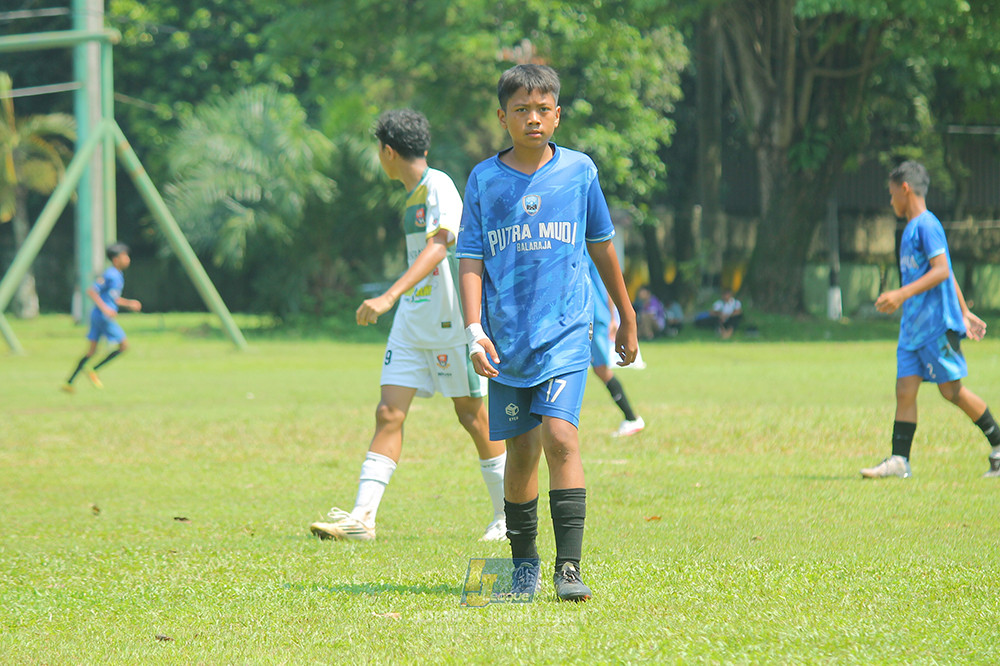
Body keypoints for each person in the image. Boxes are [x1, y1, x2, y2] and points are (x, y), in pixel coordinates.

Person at [457, 64, 638, 602]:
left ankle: (568, 569)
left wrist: (626, 315)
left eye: (542, 109)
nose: (532, 119)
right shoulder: (484, 180)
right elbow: (469, 258)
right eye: (521, 110)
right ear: (502, 117)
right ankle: (524, 566)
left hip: (565, 332)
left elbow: (602, 244)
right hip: (505, 340)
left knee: (560, 437)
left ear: (557, 116)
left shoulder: (580, 172)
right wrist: (473, 331)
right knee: (520, 453)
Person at [309, 109, 508, 542]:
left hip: (451, 322)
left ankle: (507, 515)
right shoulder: (413, 192)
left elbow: (441, 245)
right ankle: (362, 519)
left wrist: (387, 295)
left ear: (387, 151)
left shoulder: (439, 185)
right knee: (388, 412)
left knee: (473, 417)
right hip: (412, 324)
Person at [861, 160, 1000, 479]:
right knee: (904, 390)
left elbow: (941, 270)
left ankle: (998, 445)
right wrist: (965, 310)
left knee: (952, 392)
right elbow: (945, 272)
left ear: (904, 188)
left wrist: (900, 294)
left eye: (892, 193)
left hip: (935, 327)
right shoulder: (911, 228)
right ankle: (899, 460)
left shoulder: (927, 225)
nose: (891, 200)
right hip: (912, 328)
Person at [62, 243, 141, 392]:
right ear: (116, 259)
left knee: (91, 352)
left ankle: (69, 382)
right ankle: (94, 370)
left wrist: (129, 303)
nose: (128, 259)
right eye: (125, 256)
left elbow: (113, 298)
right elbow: (92, 291)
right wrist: (106, 309)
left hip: (97, 316)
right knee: (124, 346)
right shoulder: (110, 274)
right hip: (102, 317)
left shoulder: (117, 275)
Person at [587, 257, 645, 437]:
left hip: (594, 317)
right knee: (597, 370)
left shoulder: (586, 247)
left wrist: (613, 318)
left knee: (601, 370)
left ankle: (631, 418)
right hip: (591, 316)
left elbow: (607, 282)